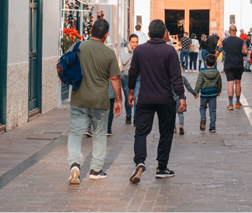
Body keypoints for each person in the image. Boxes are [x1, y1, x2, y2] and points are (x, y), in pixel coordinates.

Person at [128, 19, 186, 184]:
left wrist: (131, 92)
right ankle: (161, 167)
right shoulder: (169, 52)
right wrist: (181, 97)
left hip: (145, 98)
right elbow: (176, 78)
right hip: (165, 99)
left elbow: (133, 72)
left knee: (141, 132)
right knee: (166, 133)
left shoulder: (139, 50)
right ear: (165, 34)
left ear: (148, 31)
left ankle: (140, 161)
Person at [67, 19, 122, 184]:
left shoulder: (78, 47)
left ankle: (75, 164)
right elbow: (114, 78)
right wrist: (119, 100)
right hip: (100, 100)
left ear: (91, 31)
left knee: (76, 133)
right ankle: (95, 170)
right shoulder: (109, 53)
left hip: (79, 98)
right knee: (99, 135)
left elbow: (65, 62)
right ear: (106, 35)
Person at [221, 25, 247, 110]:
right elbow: (245, 51)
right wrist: (242, 53)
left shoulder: (224, 41)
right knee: (238, 83)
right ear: (236, 31)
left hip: (228, 64)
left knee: (230, 83)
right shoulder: (241, 41)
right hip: (238, 64)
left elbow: (218, 50)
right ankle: (238, 103)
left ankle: (230, 104)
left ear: (229, 31)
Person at [194, 53, 221, 132]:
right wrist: (218, 91)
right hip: (213, 93)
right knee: (212, 110)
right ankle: (212, 126)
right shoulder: (216, 72)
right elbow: (219, 83)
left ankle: (203, 118)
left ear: (205, 62)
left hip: (204, 93)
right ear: (215, 62)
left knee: (202, 107)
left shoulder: (202, 72)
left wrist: (196, 92)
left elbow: (199, 82)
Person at [121, 34, 139, 125]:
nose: (134, 44)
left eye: (136, 42)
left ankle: (136, 118)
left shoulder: (140, 51)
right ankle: (128, 115)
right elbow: (123, 61)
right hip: (126, 77)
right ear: (129, 42)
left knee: (136, 97)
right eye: (132, 42)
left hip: (137, 77)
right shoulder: (124, 50)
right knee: (128, 97)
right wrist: (129, 52)